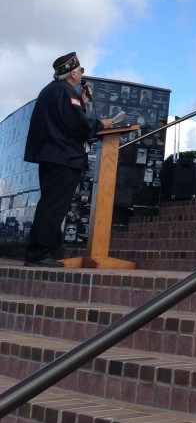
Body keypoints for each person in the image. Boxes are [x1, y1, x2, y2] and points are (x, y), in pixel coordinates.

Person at [24, 52, 118, 267]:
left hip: (52, 156)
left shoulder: (53, 91)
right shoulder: (66, 92)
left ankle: (41, 252)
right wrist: (101, 124)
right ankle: (39, 255)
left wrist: (82, 101)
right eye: (81, 70)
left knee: (50, 204)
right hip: (64, 158)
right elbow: (78, 125)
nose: (82, 74)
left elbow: (67, 119)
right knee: (54, 206)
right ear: (73, 72)